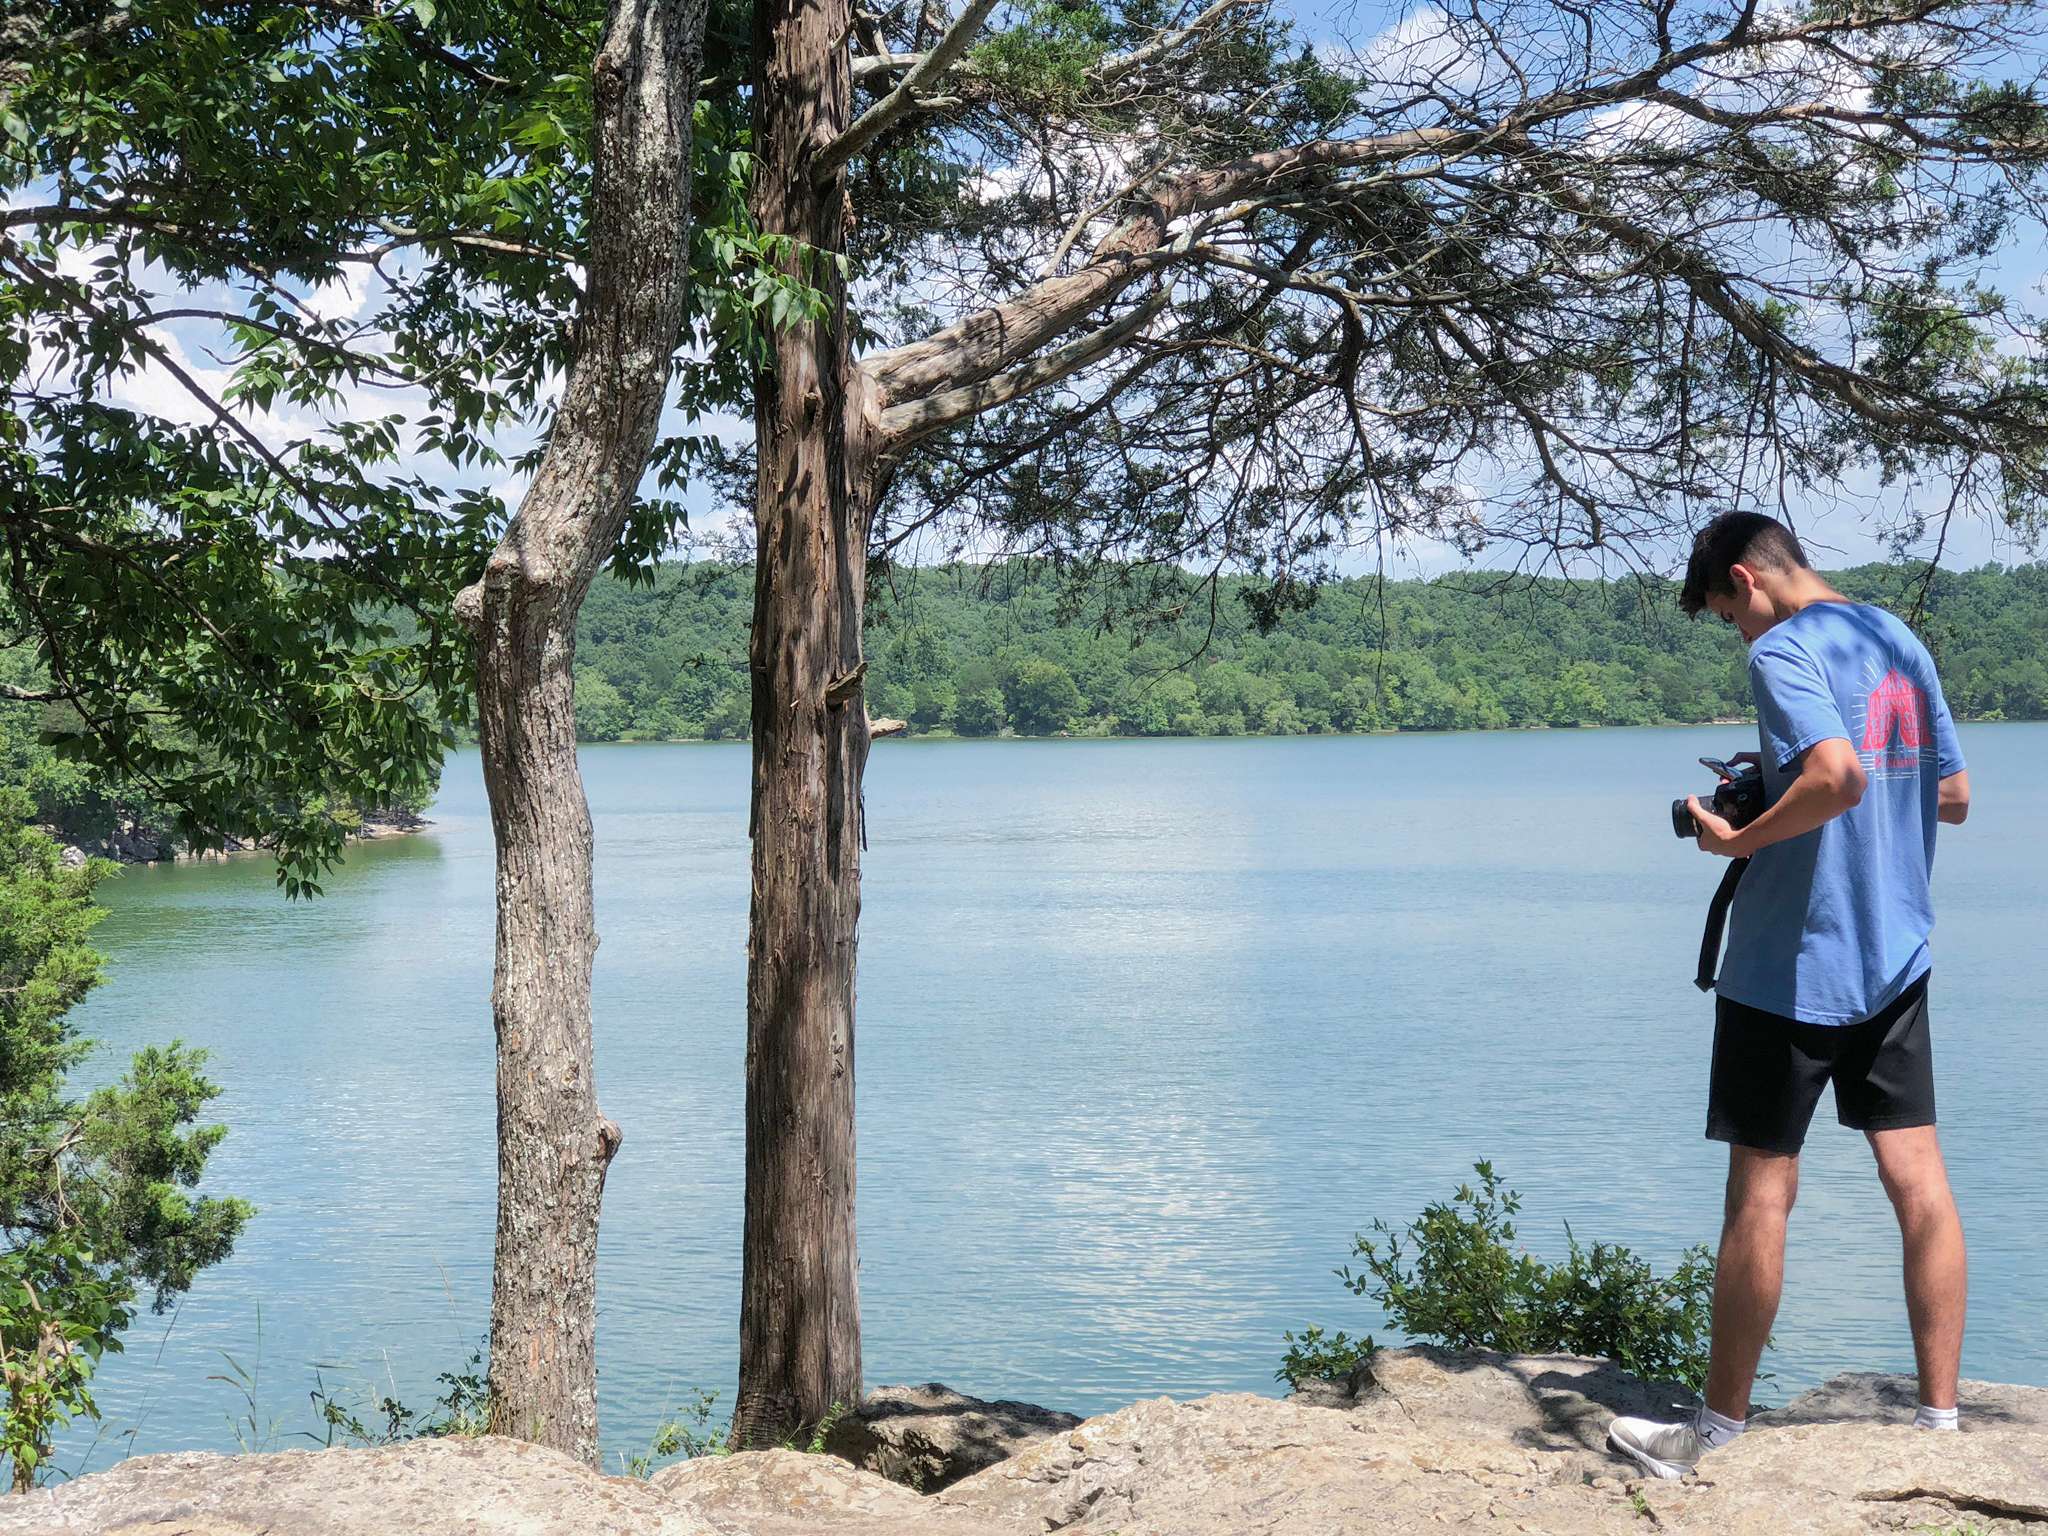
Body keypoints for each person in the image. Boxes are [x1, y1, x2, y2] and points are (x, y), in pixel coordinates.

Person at [1606, 512, 1973, 1480]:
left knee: (1759, 1197)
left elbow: (1838, 775)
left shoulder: (1784, 653)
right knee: (1917, 1183)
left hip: (1789, 964)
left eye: (1728, 613)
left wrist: (1736, 837)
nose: (1739, 635)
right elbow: (1949, 793)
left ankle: (1709, 1437)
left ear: (1745, 579)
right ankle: (1939, 1421)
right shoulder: (1894, 636)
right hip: (1894, 950)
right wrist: (1779, 789)